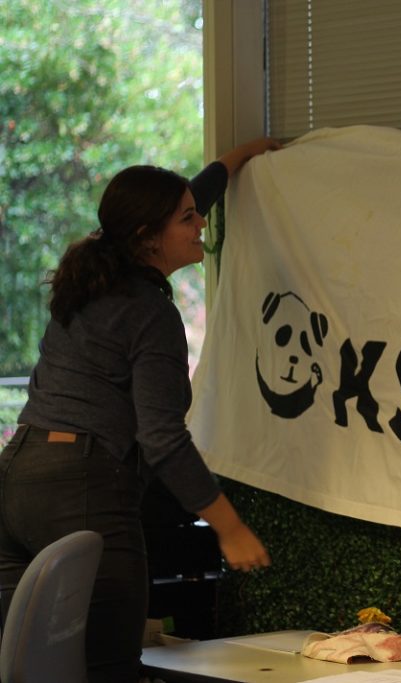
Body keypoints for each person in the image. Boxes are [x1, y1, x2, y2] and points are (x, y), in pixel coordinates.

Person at [0, 137, 279, 683]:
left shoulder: (93, 278)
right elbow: (162, 438)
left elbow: (184, 199)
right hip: (80, 491)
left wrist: (234, 162)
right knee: (109, 667)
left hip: (16, 478)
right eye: (187, 219)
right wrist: (230, 527)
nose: (200, 224)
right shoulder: (149, 313)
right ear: (147, 239)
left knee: (26, 668)